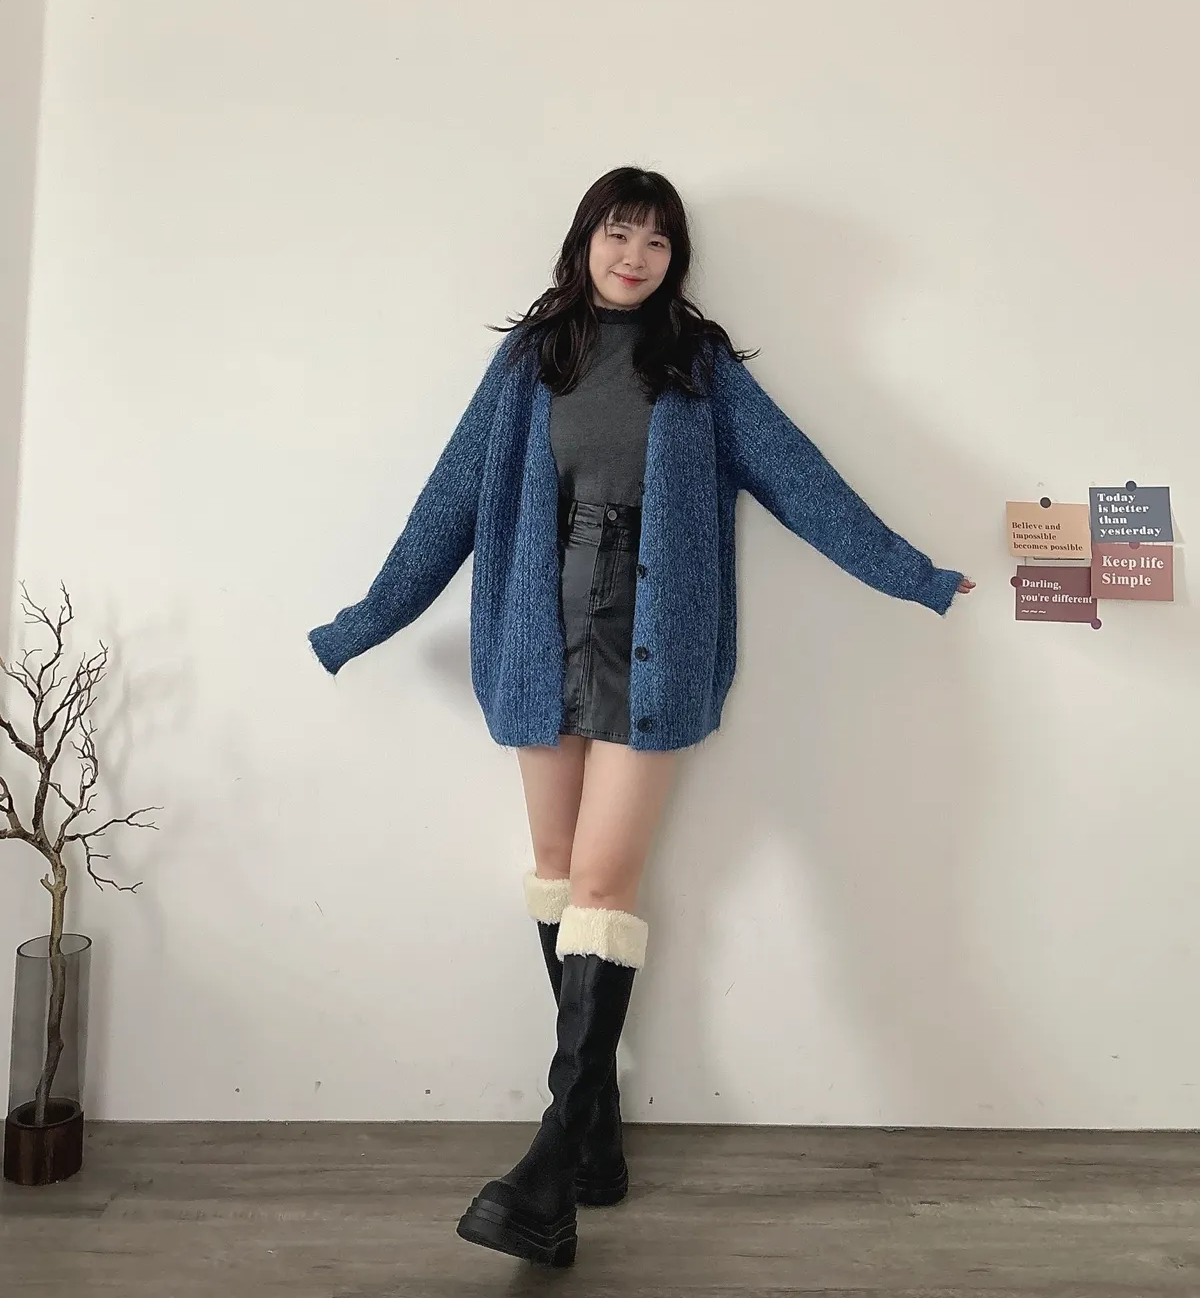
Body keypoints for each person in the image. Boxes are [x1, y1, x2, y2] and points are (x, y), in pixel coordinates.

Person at [308, 166, 975, 1268]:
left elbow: (804, 484)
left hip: (651, 643)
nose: (636, 256)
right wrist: (365, 621)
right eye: (620, 233)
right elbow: (451, 501)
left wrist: (915, 575)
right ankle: (597, 1132)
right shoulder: (530, 362)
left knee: (606, 883)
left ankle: (548, 1161)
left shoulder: (697, 368)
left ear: (676, 261)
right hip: (538, 635)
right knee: (557, 870)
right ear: (585, 241)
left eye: (658, 243)